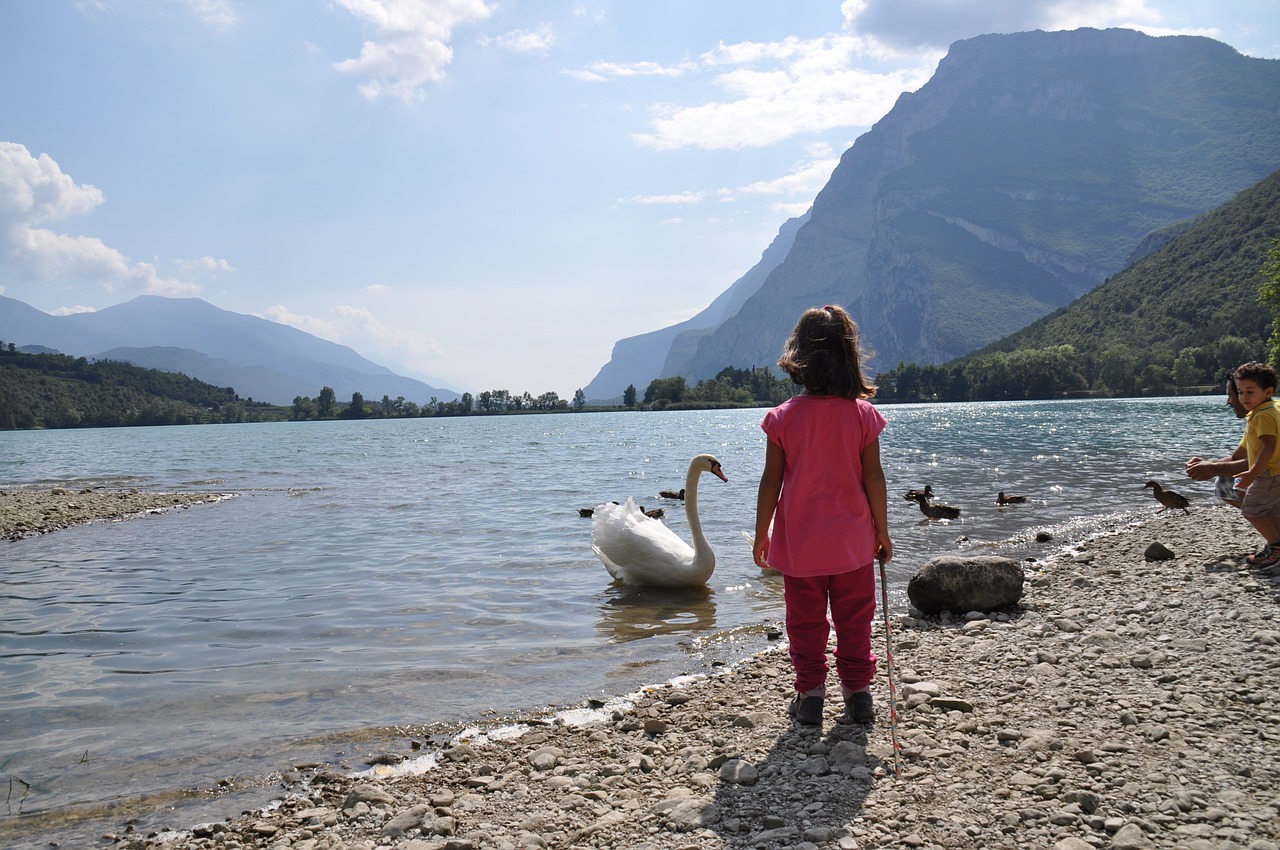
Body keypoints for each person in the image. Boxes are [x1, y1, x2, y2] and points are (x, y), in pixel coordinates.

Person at [753, 305, 892, 727]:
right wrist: (882, 532)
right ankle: (858, 695)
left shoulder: (782, 419)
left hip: (800, 547)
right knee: (856, 619)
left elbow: (770, 482)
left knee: (805, 622)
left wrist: (763, 533)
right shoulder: (863, 416)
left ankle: (811, 695)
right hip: (852, 544)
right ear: (849, 355)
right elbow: (874, 479)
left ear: (798, 356)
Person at [1229, 361, 1280, 566]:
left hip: (1269, 473)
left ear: (1268, 391)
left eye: (1250, 391)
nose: (1243, 397)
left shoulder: (1262, 416)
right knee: (1272, 510)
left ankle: (1275, 548)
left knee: (1252, 510)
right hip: (1277, 472)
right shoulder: (1273, 407)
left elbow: (1268, 446)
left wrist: (1251, 473)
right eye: (1240, 392)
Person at [1185, 371, 1249, 506]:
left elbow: (1265, 462)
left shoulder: (1268, 418)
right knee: (1225, 482)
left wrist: (1214, 469)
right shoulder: (1257, 418)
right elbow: (1238, 458)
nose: (1228, 402)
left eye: (1230, 396)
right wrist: (1208, 464)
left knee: (1225, 484)